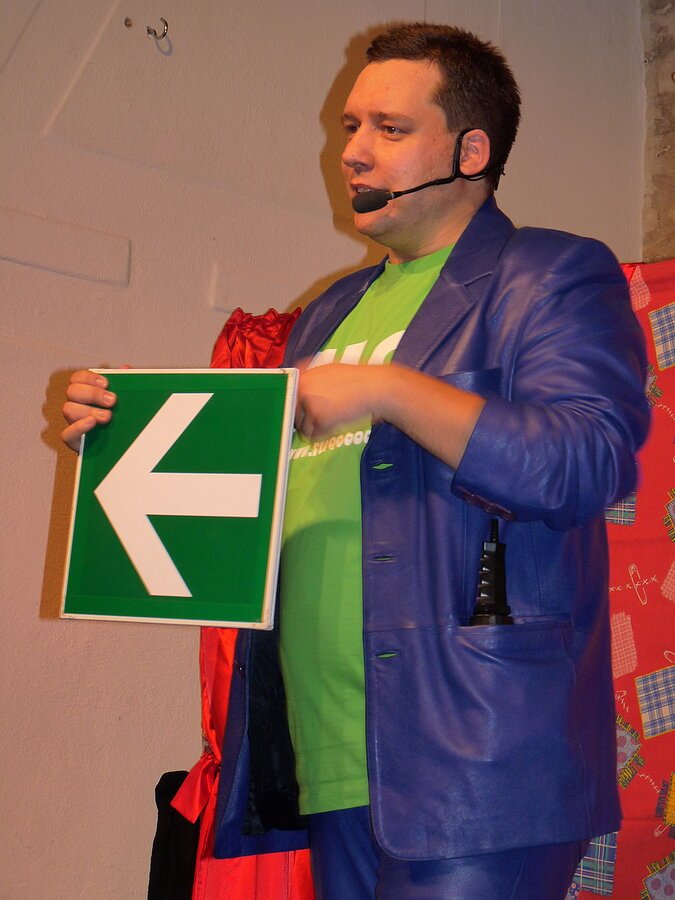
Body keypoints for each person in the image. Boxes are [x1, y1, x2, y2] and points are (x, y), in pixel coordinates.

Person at [62, 23, 650, 900]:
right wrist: (121, 441)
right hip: (331, 760)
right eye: (349, 127)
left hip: (479, 765)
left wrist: (389, 389)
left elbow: (588, 460)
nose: (353, 152)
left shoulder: (548, 274)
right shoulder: (329, 310)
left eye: (389, 128)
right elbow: (258, 500)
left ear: (470, 150)